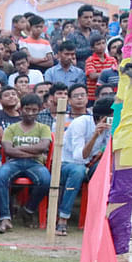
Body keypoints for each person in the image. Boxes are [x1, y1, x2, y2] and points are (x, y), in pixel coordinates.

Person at [0, 93, 51, 233]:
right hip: (14, 162)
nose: (30, 113)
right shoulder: (11, 129)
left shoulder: (43, 128)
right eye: (27, 109)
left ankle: (29, 210)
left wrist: (18, 148)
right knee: (1, 177)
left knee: (45, 180)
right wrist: (34, 151)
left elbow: (43, 147)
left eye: (34, 110)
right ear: (21, 109)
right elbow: (8, 150)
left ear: (39, 111)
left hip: (35, 164)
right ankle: (5, 218)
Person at [57, 96, 112, 235]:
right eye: (111, 116)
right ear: (102, 117)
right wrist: (95, 135)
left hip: (91, 163)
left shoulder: (110, 127)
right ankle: (63, 218)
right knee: (78, 171)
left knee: (107, 171)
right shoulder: (80, 123)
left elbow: (107, 151)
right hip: (68, 164)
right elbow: (79, 156)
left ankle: (99, 217)